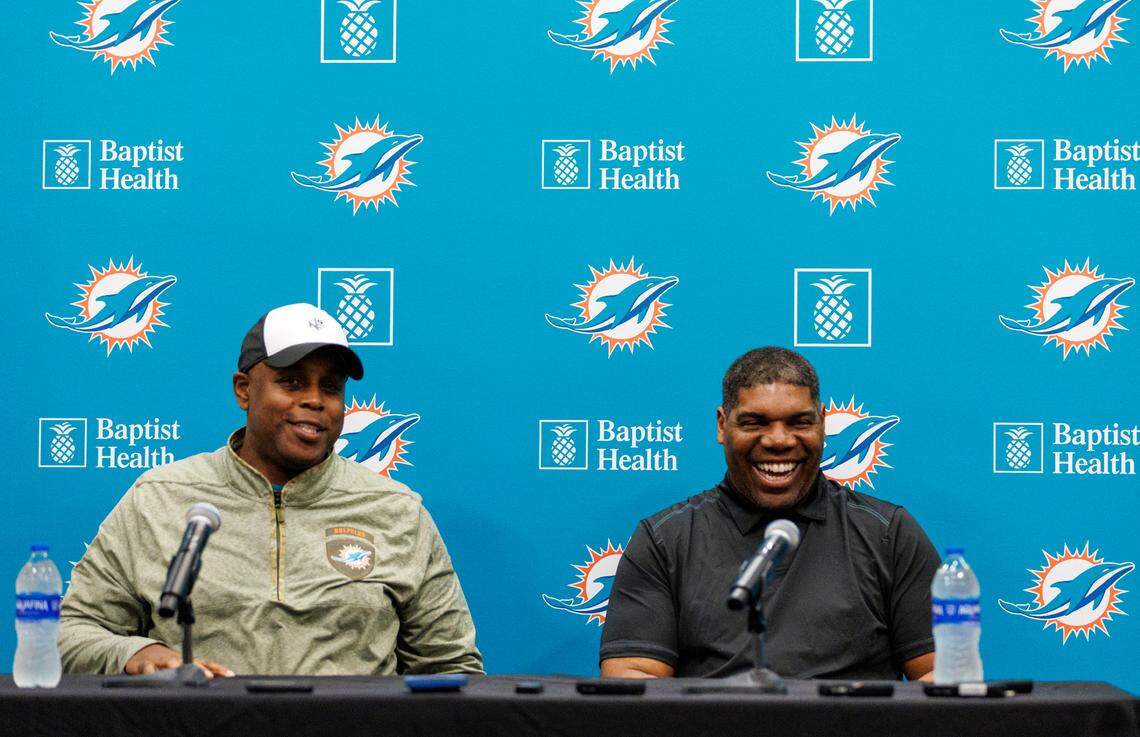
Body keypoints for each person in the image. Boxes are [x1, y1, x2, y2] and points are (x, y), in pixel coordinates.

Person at [59, 303, 483, 677]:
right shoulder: (160, 498)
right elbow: (70, 634)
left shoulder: (396, 511)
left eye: (330, 387)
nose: (315, 400)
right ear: (244, 390)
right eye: (293, 382)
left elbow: (451, 666)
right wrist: (141, 651)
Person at [600, 347, 939, 681]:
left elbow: (938, 672)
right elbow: (633, 677)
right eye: (754, 422)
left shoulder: (888, 533)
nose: (779, 440)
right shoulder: (664, 539)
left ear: (822, 423)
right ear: (722, 425)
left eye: (799, 422)